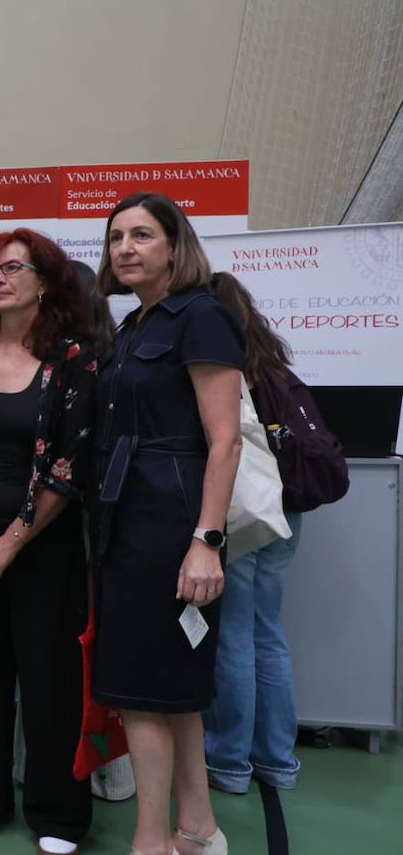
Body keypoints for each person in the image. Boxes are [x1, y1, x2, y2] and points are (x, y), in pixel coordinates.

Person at [90, 192, 243, 855]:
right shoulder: (132, 328)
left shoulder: (201, 316)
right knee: (171, 688)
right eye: (117, 236)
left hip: (173, 524)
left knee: (145, 693)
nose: (125, 247)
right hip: (127, 521)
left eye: (142, 235)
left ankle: (151, 842)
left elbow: (226, 441)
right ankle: (200, 829)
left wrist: (205, 540)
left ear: (175, 248)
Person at [0, 229, 96, 854]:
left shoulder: (73, 357)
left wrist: (13, 540)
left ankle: (57, 813)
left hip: (44, 545)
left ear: (44, 279)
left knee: (49, 677)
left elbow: (69, 464)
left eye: (11, 268)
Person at [202, 271, 305, 795]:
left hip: (239, 514)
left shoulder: (219, 368)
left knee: (233, 637)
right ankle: (278, 760)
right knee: (268, 634)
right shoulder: (274, 367)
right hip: (283, 514)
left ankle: (227, 762)